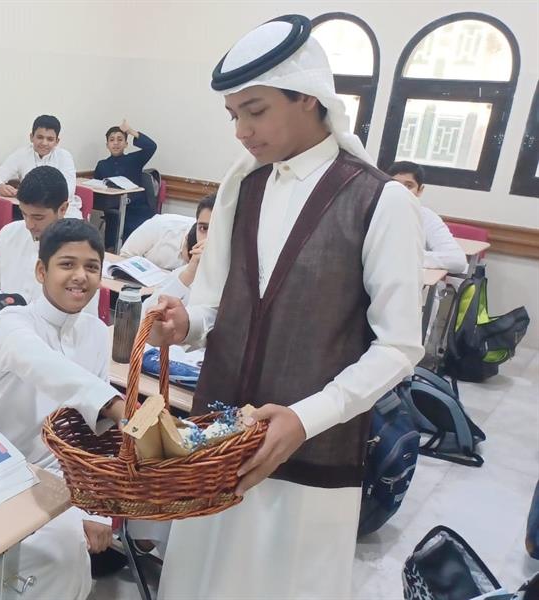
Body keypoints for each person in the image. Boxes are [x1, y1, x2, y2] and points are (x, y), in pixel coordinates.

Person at [150, 15, 424, 598]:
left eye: (255, 110)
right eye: (233, 116)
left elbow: (401, 344)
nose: (241, 131)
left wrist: (308, 417)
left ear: (310, 99)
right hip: (218, 435)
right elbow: (215, 304)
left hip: (312, 452)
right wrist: (186, 322)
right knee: (198, 579)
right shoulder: (242, 186)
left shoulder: (379, 199)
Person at [0, 219, 127, 600]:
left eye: (91, 266)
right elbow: (43, 366)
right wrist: (114, 402)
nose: (80, 276)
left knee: (65, 559)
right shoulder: (14, 322)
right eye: (67, 264)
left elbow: (95, 435)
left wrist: (96, 510)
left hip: (51, 479)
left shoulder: (96, 333)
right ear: (41, 270)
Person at [0, 166, 98, 316]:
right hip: (6, 327)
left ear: (63, 209)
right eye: (24, 214)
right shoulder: (8, 234)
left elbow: (83, 320)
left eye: (38, 217)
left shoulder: (79, 251)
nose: (29, 225)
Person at [0, 114, 82, 218]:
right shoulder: (22, 154)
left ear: (57, 141)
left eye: (50, 139)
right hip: (30, 211)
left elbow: (68, 191)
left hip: (60, 210)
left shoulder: (64, 156)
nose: (44, 143)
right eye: (40, 137)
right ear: (32, 137)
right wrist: (0, 187)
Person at [387, 161, 469, 273]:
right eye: (396, 185)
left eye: (409, 186)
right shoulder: (372, 211)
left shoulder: (426, 217)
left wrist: (407, 257)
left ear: (420, 191)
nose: (402, 191)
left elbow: (457, 261)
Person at [137, 194, 215, 310]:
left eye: (216, 229)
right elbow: (146, 315)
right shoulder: (184, 273)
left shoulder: (239, 282)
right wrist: (187, 275)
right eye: (203, 228)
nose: (208, 238)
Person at [94, 120, 158, 247]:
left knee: (139, 244)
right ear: (107, 145)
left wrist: (130, 131)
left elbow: (151, 146)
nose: (116, 143)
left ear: (126, 144)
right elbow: (97, 187)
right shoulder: (102, 165)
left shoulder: (134, 160)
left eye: (120, 139)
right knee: (112, 244)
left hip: (137, 210)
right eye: (112, 140)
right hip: (114, 211)